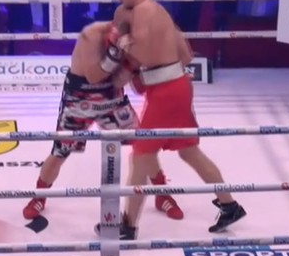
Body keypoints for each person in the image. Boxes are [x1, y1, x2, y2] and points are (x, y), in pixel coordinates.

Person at [96, 0, 247, 239]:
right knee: (189, 151)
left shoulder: (145, 12)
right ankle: (229, 205)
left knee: (141, 157)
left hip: (166, 93)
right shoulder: (159, 13)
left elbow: (142, 54)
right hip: (176, 87)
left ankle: (128, 226)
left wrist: (125, 51)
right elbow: (186, 55)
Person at [22, 20, 183, 221]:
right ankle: (39, 197)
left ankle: (162, 193)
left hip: (111, 95)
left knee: (143, 145)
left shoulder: (138, 45)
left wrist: (132, 64)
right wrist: (116, 54)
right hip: (80, 97)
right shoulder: (91, 35)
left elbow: (126, 83)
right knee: (60, 151)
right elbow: (93, 76)